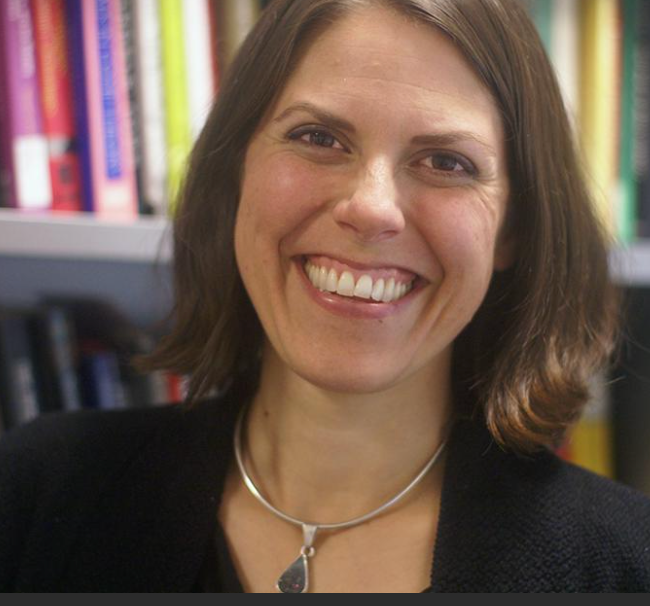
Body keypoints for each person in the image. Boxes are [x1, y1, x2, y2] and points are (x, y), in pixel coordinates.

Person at [1, 0, 649, 593]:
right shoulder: (37, 490)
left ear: (513, 229)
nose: (371, 209)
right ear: (237, 176)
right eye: (319, 138)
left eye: (447, 162)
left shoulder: (626, 564)